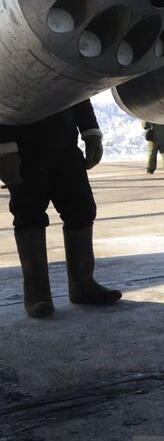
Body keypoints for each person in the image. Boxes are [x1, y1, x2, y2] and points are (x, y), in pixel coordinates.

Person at [0, 100, 122, 317]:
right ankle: (37, 295)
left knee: (82, 210)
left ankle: (83, 285)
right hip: (25, 151)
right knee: (28, 215)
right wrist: (4, 149)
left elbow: (77, 92)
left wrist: (90, 131)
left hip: (66, 147)